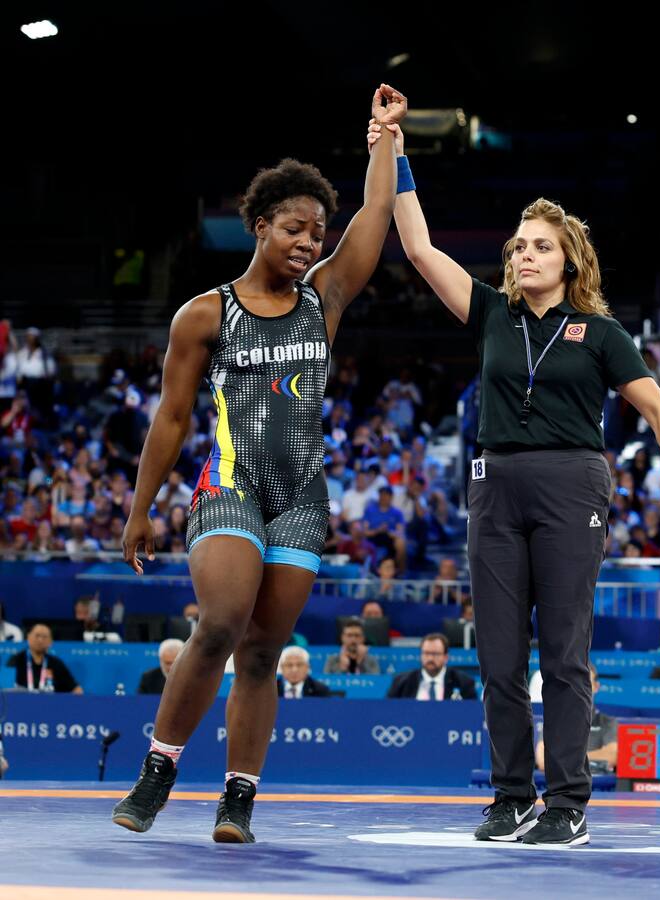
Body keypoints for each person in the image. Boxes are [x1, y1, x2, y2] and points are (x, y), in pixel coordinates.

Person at [369, 104, 660, 847]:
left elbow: (658, 410)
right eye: (519, 245)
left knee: (563, 654)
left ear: (569, 261)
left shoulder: (602, 333)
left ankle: (567, 804)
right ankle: (509, 796)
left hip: (572, 485)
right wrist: (396, 152)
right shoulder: (493, 313)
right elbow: (418, 243)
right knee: (498, 654)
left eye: (540, 247)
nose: (525, 255)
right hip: (494, 484)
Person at [111, 86, 406, 844]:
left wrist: (384, 136)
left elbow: (376, 219)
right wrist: (141, 509)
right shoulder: (205, 314)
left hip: (302, 495)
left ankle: (238, 798)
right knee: (220, 623)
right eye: (293, 229)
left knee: (265, 652)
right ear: (258, 225)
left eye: (317, 231)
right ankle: (158, 771)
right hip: (230, 488)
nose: (309, 242)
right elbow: (172, 418)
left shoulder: (326, 297)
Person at [536, 663, 617, 772]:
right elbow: (543, 760)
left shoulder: (608, 723)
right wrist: (595, 758)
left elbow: (612, 756)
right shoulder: (554, 722)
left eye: (586, 683)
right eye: (576, 684)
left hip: (597, 786)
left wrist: (563, 759)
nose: (581, 689)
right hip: (561, 785)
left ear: (596, 687)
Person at [387, 633, 477, 700]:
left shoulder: (463, 682)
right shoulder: (402, 682)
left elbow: (471, 713)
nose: (430, 658)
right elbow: (387, 710)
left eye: (435, 654)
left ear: (446, 657)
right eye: (426, 653)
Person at [6, 623, 82, 693]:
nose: (40, 640)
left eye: (45, 637)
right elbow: (6, 690)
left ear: (51, 641)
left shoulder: (56, 663)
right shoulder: (16, 660)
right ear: (28, 637)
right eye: (37, 635)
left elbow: (76, 689)